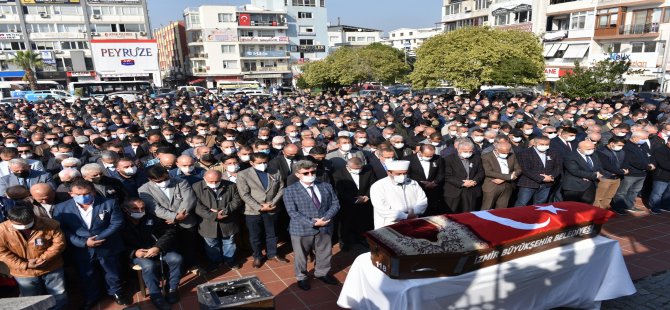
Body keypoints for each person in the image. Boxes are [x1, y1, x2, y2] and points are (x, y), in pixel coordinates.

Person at [53, 178, 131, 308]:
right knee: (87, 273)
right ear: (71, 194)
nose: (83, 197)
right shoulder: (61, 208)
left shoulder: (109, 203)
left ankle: (116, 292)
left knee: (112, 271)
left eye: (86, 193)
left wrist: (98, 238)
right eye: (78, 195)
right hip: (81, 248)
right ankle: (92, 296)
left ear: (93, 192)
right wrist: (83, 242)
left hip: (107, 244)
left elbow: (117, 222)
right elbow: (63, 229)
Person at [283, 160, 340, 291]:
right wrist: (313, 222)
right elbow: (292, 212)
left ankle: (322, 273)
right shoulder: (289, 191)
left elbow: (335, 203)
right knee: (301, 256)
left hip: (325, 225)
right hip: (301, 228)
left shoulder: (325, 186)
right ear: (298, 174)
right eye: (306, 172)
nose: (310, 174)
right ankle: (301, 277)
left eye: (313, 172)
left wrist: (325, 218)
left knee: (324, 252)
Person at [0, 204, 67, 309]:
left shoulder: (50, 224)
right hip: (23, 272)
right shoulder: (2, 230)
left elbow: (59, 244)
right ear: (9, 219)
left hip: (51, 267)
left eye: (27, 223)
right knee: (30, 298)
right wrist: (24, 265)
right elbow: (2, 253)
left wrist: (44, 259)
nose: (24, 226)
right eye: (19, 224)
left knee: (59, 294)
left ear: (33, 217)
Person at [119, 198, 182, 310]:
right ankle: (155, 295)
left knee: (176, 259)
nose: (140, 211)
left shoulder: (151, 218)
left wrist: (158, 247)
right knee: (149, 266)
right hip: (137, 254)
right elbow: (117, 244)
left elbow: (169, 232)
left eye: (142, 208)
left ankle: (172, 288)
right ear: (125, 209)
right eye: (135, 208)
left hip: (156, 249)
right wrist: (134, 252)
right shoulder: (119, 223)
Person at [139, 165, 199, 270]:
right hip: (165, 224)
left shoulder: (181, 181)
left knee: (189, 246)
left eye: (166, 178)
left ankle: (192, 265)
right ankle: (178, 269)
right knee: (172, 247)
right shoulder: (144, 189)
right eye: (159, 181)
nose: (164, 182)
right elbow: (154, 208)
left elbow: (189, 199)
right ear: (150, 179)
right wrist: (174, 217)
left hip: (186, 220)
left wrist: (180, 216)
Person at [236, 153, 289, 268]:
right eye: (259, 163)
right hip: (253, 211)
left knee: (273, 233)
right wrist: (259, 207)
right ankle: (257, 256)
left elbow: (281, 188)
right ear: (251, 163)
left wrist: (272, 203)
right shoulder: (243, 174)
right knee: (255, 235)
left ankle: (272, 253)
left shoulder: (275, 171)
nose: (263, 165)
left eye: (265, 162)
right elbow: (244, 194)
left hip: (272, 208)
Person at [193, 170, 243, 270]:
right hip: (207, 222)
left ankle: (230, 260)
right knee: (211, 243)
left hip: (228, 220)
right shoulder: (196, 187)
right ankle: (215, 261)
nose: (214, 184)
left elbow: (237, 201)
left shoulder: (231, 186)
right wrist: (213, 215)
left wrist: (224, 211)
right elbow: (196, 205)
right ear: (204, 178)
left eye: (217, 181)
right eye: (210, 182)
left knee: (229, 241)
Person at [331, 157, 376, 250]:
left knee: (363, 221)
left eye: (360, 168)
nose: (358, 170)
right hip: (347, 204)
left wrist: (367, 196)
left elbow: (373, 184)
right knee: (346, 223)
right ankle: (344, 242)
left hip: (365, 202)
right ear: (348, 166)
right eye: (355, 169)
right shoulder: (338, 174)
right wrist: (354, 200)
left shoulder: (368, 171)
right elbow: (339, 190)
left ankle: (362, 238)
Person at [370, 160, 427, 228]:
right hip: (389, 224)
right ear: (389, 173)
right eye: (398, 174)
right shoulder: (378, 186)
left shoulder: (413, 183)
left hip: (413, 220)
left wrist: (414, 212)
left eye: (405, 173)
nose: (402, 176)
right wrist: (404, 216)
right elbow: (382, 208)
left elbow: (422, 200)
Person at [613, 131, 656, 214]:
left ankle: (629, 205)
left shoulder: (643, 145)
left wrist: (652, 164)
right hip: (631, 173)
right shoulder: (627, 146)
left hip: (642, 173)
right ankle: (619, 207)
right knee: (622, 191)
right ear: (635, 138)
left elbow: (650, 155)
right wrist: (648, 167)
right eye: (644, 138)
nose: (645, 140)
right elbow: (633, 161)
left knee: (635, 191)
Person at [514, 136, 563, 206]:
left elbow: (558, 166)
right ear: (534, 143)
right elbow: (526, 169)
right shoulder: (524, 153)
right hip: (529, 183)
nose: (544, 146)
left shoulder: (553, 152)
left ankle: (536, 217)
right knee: (522, 203)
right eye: (542, 144)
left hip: (547, 184)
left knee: (540, 205)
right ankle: (516, 216)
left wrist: (551, 177)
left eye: (547, 144)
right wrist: (542, 178)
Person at [442, 139, 484, 213]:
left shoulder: (476, 158)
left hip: (471, 190)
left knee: (469, 213)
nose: (468, 153)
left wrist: (474, 181)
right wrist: (462, 183)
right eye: (465, 151)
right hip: (454, 190)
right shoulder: (448, 159)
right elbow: (447, 175)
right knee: (451, 212)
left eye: (470, 151)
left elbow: (481, 172)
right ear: (458, 150)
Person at [405, 144, 444, 215]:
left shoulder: (438, 158)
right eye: (427, 156)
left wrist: (434, 182)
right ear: (420, 152)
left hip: (433, 191)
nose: (429, 157)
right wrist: (420, 183)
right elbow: (407, 175)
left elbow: (441, 173)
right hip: (416, 190)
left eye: (431, 155)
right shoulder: (408, 159)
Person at [481, 142, 522, 210]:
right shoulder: (486, 157)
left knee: (502, 208)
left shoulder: (512, 155)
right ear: (496, 150)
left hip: (507, 185)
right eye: (503, 153)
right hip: (492, 186)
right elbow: (488, 172)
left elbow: (518, 169)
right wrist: (508, 177)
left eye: (507, 152)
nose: (506, 154)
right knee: (487, 207)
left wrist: (505, 179)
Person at [595, 137, 628, 210]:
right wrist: (621, 172)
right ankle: (596, 211)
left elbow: (625, 161)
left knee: (609, 196)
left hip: (616, 178)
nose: (621, 147)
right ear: (612, 143)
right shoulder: (601, 151)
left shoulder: (622, 151)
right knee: (599, 197)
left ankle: (604, 209)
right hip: (605, 177)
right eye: (619, 145)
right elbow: (606, 165)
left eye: (622, 146)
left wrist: (624, 169)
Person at [649, 138, 670, 214]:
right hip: (661, 175)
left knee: (668, 193)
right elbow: (664, 163)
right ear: (668, 141)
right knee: (657, 193)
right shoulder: (661, 150)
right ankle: (654, 207)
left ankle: (665, 206)